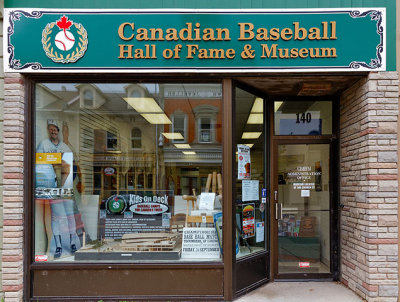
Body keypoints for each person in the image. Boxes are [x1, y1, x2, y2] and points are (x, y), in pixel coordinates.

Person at [36, 120, 78, 259]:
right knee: (55, 218)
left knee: (70, 215)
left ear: (59, 132)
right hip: (50, 188)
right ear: (48, 131)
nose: (53, 131)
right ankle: (58, 246)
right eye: (51, 129)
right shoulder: (43, 145)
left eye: (56, 129)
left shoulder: (65, 147)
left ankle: (72, 243)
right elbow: (39, 163)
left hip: (65, 188)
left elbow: (73, 167)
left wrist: (69, 182)